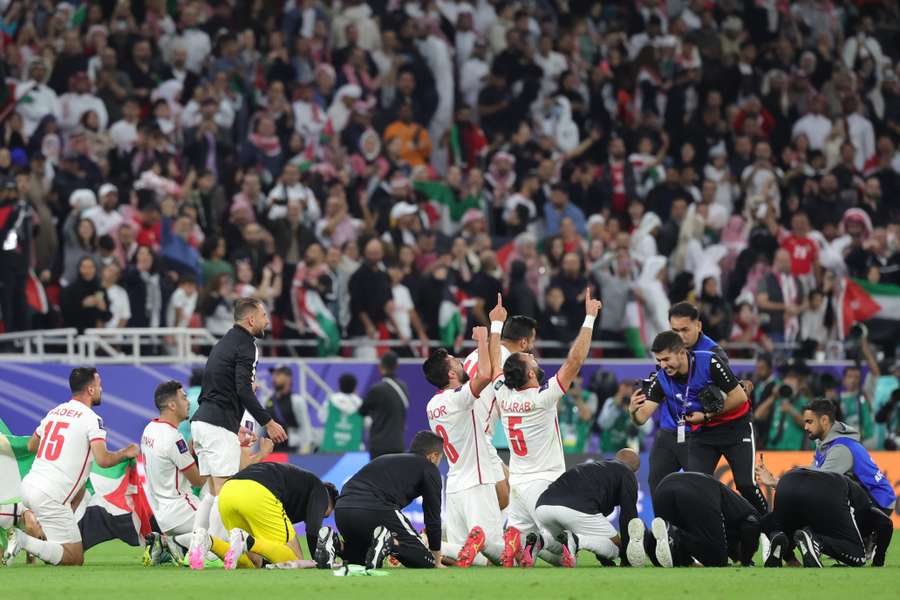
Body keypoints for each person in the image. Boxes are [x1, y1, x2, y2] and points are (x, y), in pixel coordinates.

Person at [489, 288, 601, 567]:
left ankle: (517, 542)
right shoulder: (542, 398)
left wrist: (494, 326)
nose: (535, 358)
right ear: (528, 373)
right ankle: (541, 543)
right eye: (531, 359)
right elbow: (575, 361)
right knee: (570, 540)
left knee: (520, 536)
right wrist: (589, 318)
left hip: (517, 481)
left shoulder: (502, 392)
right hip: (546, 483)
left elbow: (493, 364)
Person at [187, 297, 287, 569]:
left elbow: (213, 389)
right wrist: (269, 421)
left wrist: (235, 425)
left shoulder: (222, 343)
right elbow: (243, 389)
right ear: (251, 319)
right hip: (216, 426)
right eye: (264, 315)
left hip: (203, 422)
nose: (267, 320)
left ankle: (195, 552)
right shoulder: (247, 346)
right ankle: (223, 551)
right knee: (227, 492)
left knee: (210, 492)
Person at [5, 368, 139, 566]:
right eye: (98, 384)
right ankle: (23, 540)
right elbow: (103, 460)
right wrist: (125, 453)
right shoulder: (92, 419)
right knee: (74, 557)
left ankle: (31, 536)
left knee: (59, 545)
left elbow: (32, 446)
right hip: (50, 495)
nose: (101, 389)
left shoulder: (54, 412)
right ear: (91, 390)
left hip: (30, 485)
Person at [630, 331, 768, 515]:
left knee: (745, 485)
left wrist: (706, 415)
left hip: (735, 428)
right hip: (704, 434)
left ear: (681, 352)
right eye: (659, 360)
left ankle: (768, 524)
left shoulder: (709, 362)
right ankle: (708, 534)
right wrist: (632, 411)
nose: (662, 365)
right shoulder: (662, 378)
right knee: (696, 488)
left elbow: (740, 397)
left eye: (666, 359)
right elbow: (642, 418)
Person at [139, 380, 244, 567]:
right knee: (226, 530)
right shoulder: (173, 437)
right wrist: (210, 454)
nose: (189, 402)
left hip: (162, 511)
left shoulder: (150, 429)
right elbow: (197, 480)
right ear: (172, 405)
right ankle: (171, 543)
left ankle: (166, 542)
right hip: (181, 508)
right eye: (184, 397)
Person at [423, 327, 500, 567]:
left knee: (469, 557)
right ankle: (417, 541)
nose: (461, 363)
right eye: (456, 362)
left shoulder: (432, 405)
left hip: (455, 484)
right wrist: (483, 340)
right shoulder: (458, 398)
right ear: (451, 374)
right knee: (498, 556)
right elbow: (486, 374)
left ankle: (421, 544)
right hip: (476, 481)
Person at [321, 431, 445, 570]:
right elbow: (432, 517)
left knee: (362, 559)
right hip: (375, 508)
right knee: (425, 560)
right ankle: (389, 542)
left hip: (342, 510)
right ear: (433, 456)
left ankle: (336, 544)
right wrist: (436, 558)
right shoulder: (429, 468)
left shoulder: (386, 458)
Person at [460, 313, 537, 511]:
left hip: (463, 430)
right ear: (522, 342)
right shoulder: (509, 364)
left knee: (510, 488)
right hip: (477, 435)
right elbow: (515, 407)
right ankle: (479, 536)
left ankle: (474, 532)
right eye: (532, 342)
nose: (532, 349)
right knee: (503, 498)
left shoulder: (478, 353)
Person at [755, 467, 894, 568]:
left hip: (788, 479)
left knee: (777, 525)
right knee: (859, 558)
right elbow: (886, 523)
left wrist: (790, 559)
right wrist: (878, 561)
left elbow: (765, 521)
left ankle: (777, 537)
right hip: (831, 489)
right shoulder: (865, 508)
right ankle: (816, 541)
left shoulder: (836, 521)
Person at [532, 449, 641, 568]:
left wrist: (604, 561)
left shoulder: (595, 467)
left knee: (560, 548)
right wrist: (626, 557)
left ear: (616, 458)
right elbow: (628, 516)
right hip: (575, 508)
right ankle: (577, 541)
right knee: (616, 547)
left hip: (542, 506)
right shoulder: (626, 473)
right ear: (635, 471)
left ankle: (540, 541)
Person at [217, 462, 337, 568]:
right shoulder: (321, 490)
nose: (322, 516)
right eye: (326, 514)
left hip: (227, 492)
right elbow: (313, 530)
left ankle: (209, 542)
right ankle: (247, 541)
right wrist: (319, 561)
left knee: (254, 561)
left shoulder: (299, 491)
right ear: (329, 501)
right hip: (257, 492)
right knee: (295, 561)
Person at [795, 400, 896, 513]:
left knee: (824, 492)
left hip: (879, 503)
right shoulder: (825, 443)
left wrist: (785, 485)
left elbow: (820, 481)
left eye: (809, 422)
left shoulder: (841, 448)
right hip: (868, 496)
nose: (805, 427)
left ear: (824, 420)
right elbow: (813, 471)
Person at [646, 472, 760, 568]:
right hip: (696, 492)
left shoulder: (731, 516)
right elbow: (752, 523)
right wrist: (746, 559)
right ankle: (675, 533)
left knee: (670, 552)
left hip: (662, 488)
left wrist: (690, 563)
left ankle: (646, 539)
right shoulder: (746, 513)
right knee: (718, 560)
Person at [359, 351, 409, 459]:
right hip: (398, 444)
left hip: (379, 445)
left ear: (380, 366)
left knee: (377, 476)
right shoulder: (403, 387)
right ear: (397, 366)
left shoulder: (376, 389)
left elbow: (362, 411)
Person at [262, 365, 315, 453]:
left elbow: (305, 427)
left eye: (278, 375)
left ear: (288, 378)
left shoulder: (296, 400)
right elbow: (261, 428)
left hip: (290, 450)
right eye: (273, 375)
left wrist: (305, 452)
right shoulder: (267, 400)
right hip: (270, 451)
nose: (274, 378)